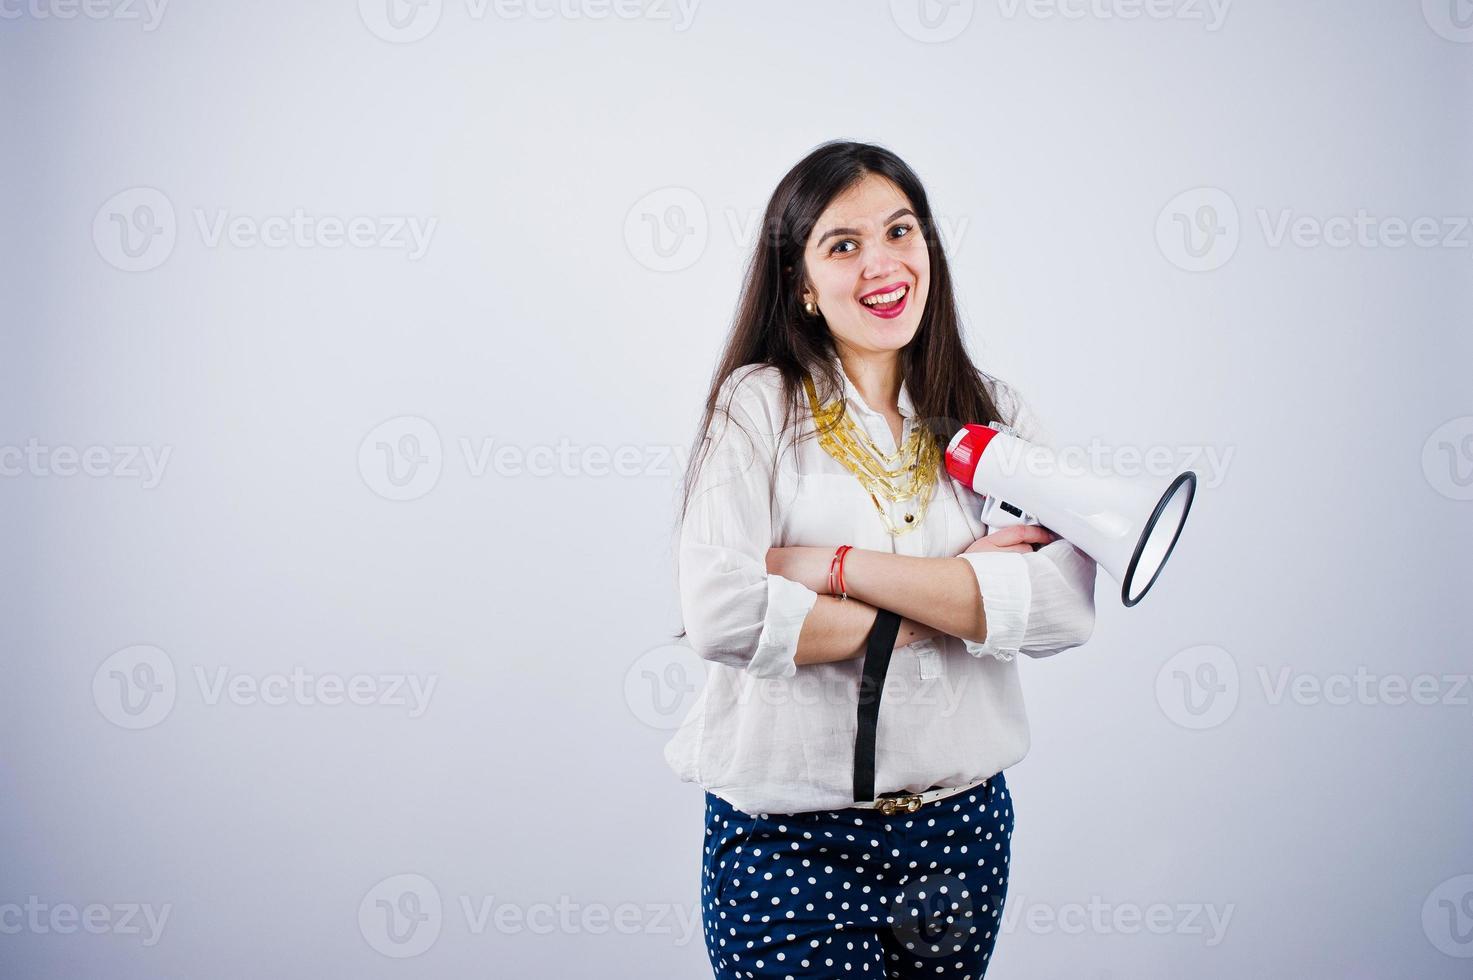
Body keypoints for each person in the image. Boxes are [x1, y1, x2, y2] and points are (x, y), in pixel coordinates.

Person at [665, 140, 1099, 979]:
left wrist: (831, 568)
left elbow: (1061, 610)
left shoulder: (995, 413)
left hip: (960, 834)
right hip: (791, 840)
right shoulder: (757, 405)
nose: (882, 263)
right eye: (843, 244)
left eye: (900, 231)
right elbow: (719, 614)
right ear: (799, 281)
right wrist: (961, 590)